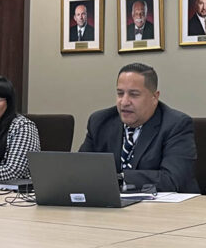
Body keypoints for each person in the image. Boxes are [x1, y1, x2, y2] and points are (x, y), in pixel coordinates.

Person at [79, 63, 199, 193]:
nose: (124, 102)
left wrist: (120, 179)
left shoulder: (176, 125)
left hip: (165, 210)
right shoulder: (100, 122)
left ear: (155, 97)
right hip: (110, 207)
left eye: (134, 94)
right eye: (120, 93)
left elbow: (172, 180)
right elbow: (80, 169)